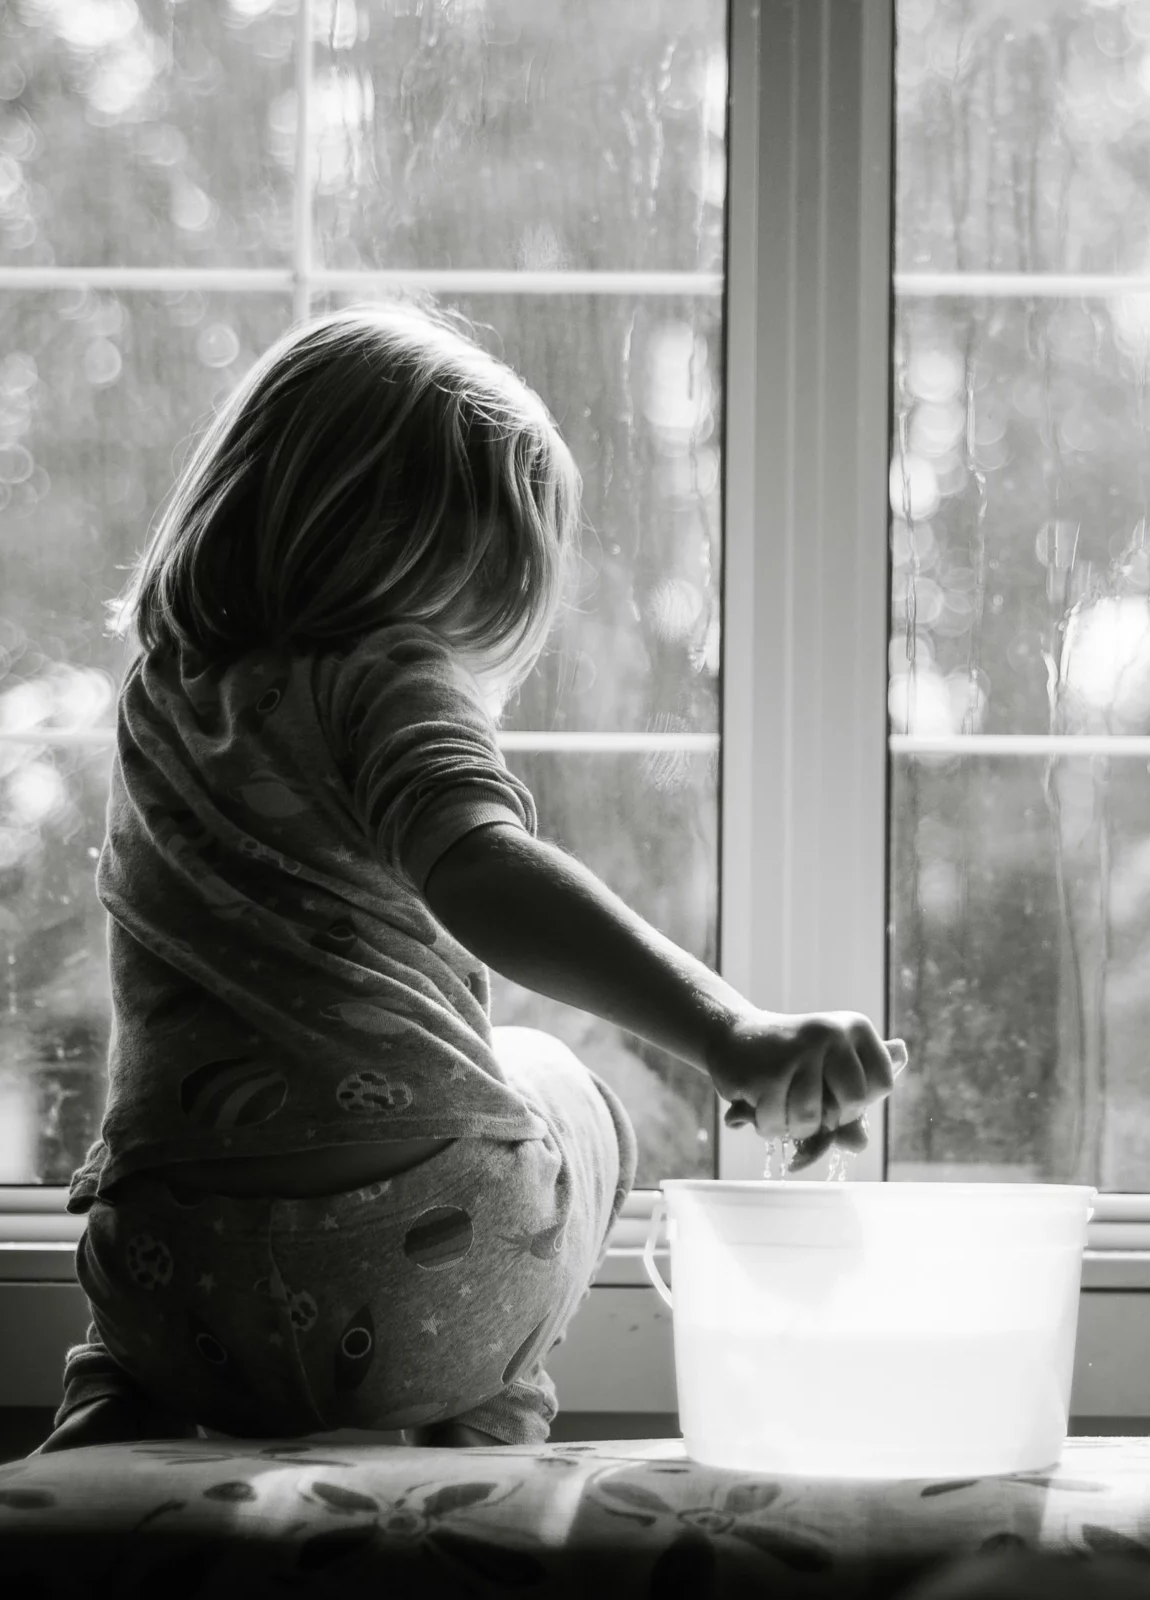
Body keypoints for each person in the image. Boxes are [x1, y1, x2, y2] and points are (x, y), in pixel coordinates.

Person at [44, 304, 903, 1450]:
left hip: (171, 1275)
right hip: (422, 1268)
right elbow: (483, 868)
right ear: (449, 556)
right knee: (560, 1078)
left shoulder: (161, 694)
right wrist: (731, 1032)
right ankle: (489, 1416)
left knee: (158, 1178)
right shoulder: (389, 669)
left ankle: (112, 1402)